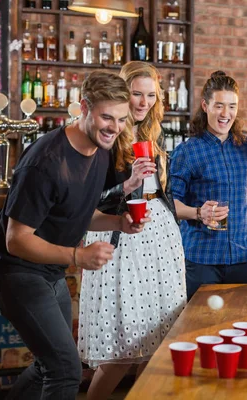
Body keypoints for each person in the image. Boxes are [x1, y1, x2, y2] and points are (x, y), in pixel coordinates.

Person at [0, 71, 148, 400]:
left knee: (50, 365)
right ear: (84, 107)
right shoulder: (46, 162)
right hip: (13, 271)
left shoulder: (100, 151)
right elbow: (16, 239)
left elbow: (79, 213)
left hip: (48, 272)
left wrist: (118, 223)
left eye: (120, 119)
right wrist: (77, 257)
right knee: (66, 369)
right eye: (106, 117)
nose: (114, 128)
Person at [77, 61, 186, 400]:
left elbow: (162, 192)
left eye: (151, 95)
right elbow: (89, 200)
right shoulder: (107, 134)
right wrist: (129, 184)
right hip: (122, 236)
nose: (143, 102)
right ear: (124, 93)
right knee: (124, 345)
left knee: (160, 339)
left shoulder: (156, 132)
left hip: (160, 236)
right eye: (137, 94)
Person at [170, 71, 247, 301]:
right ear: (205, 106)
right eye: (219, 106)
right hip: (202, 258)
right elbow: (169, 204)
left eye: (232, 106)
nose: (226, 114)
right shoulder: (188, 151)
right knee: (200, 329)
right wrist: (198, 213)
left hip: (242, 257)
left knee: (239, 328)